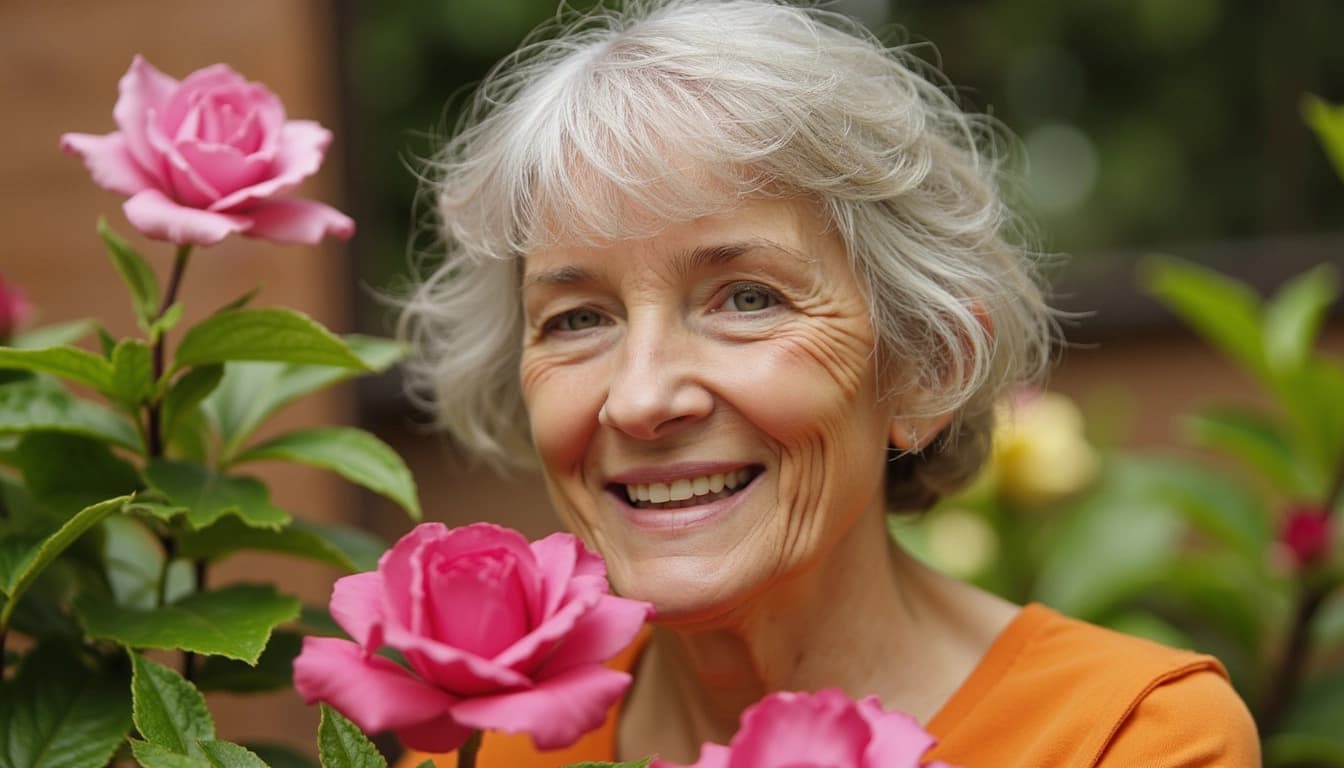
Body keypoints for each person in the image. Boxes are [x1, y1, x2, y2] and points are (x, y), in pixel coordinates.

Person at [397, 1, 1260, 764]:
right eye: (579, 318)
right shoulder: (480, 748)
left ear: (929, 367)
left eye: (747, 299)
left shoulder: (1126, 739)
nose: (641, 398)